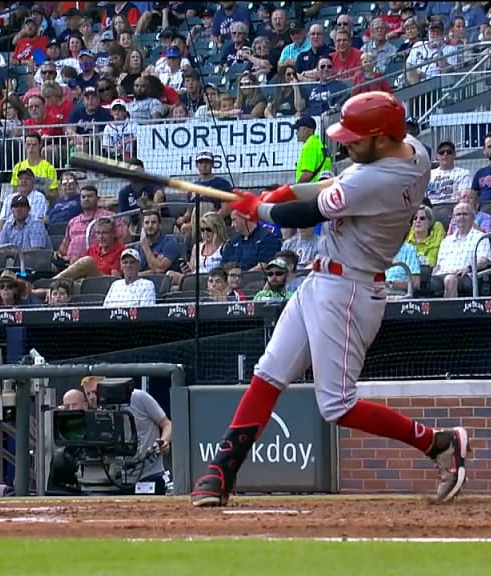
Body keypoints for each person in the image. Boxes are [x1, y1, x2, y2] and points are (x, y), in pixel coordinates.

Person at [191, 92, 468, 508]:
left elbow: (305, 215)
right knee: (269, 373)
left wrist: (260, 209)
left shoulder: (379, 179)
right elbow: (333, 184)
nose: (346, 145)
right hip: (323, 280)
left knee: (337, 405)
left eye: (356, 139)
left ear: (379, 139)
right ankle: (221, 470)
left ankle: (439, 443)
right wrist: (284, 190)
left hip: (349, 291)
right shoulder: (414, 150)